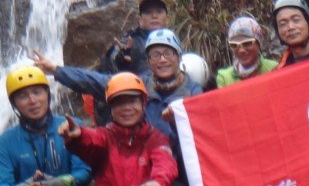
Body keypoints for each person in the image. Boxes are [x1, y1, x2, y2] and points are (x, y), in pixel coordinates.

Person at [34, 27, 202, 149]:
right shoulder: (138, 84)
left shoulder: (193, 91)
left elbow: (202, 132)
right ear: (149, 61)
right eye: (155, 55)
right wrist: (56, 70)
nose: (162, 60)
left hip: (181, 161)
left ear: (178, 57)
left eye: (168, 53)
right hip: (141, 159)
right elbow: (94, 81)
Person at [99, 0, 170, 76]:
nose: (154, 16)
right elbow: (111, 60)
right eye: (148, 12)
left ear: (167, 19)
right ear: (140, 21)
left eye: (159, 11)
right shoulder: (129, 40)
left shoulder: (174, 42)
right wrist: (122, 61)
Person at [215, 16, 278, 87]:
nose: (241, 50)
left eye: (247, 43)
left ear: (259, 43)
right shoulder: (224, 77)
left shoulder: (274, 68)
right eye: (234, 45)